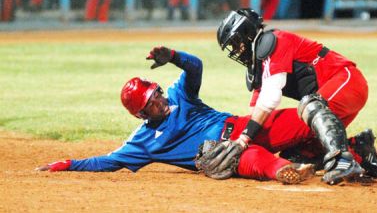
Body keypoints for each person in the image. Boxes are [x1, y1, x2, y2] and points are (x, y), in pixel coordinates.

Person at [36, 46, 315, 185]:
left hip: (242, 126)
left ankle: (347, 150)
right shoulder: (144, 142)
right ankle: (284, 170)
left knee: (302, 121)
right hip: (223, 153)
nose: (158, 99)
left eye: (155, 92)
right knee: (252, 158)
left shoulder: (179, 93)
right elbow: (107, 162)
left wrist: (172, 55)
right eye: (151, 101)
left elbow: (196, 68)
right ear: (141, 114)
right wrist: (67, 163)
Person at [215, 8, 377, 185]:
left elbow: (270, 98)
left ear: (247, 32)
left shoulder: (273, 41)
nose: (236, 50)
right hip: (329, 102)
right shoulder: (261, 65)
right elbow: (256, 113)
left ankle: (342, 161)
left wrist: (244, 139)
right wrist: (243, 145)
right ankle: (362, 152)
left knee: (310, 105)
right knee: (297, 154)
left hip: (348, 82)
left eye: (236, 42)